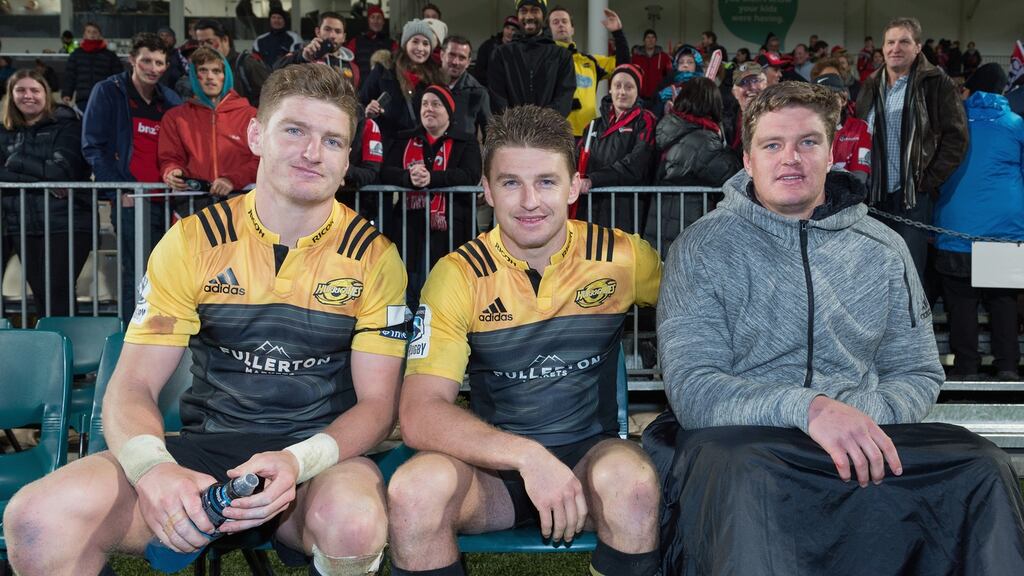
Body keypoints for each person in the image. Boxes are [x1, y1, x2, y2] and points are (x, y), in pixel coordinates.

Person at [4, 63, 409, 576]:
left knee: (353, 519)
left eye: (333, 140)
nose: (313, 152)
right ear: (257, 135)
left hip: (317, 459)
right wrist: (153, 470)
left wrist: (297, 461)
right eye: (295, 131)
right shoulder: (192, 240)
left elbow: (378, 407)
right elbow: (131, 385)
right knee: (38, 518)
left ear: (348, 157)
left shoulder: (376, 257)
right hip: (207, 448)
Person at [643, 80, 1024, 575]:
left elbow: (918, 371)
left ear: (831, 154)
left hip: (862, 428)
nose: (791, 158)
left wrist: (855, 417)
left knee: (981, 466)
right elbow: (694, 389)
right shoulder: (703, 247)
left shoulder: (883, 248)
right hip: (745, 439)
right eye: (773, 145)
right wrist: (811, 411)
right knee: (745, 479)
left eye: (808, 142)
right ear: (748, 159)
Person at [386, 104, 663, 576]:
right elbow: (418, 414)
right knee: (415, 491)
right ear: (488, 189)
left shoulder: (623, 257)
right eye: (511, 182)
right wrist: (527, 457)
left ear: (575, 186)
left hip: (589, 461)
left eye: (547, 182)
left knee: (632, 482)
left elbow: (702, 318)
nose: (530, 201)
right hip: (496, 473)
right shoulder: (457, 274)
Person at [856, 16, 968, 285]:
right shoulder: (871, 84)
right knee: (875, 274)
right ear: (882, 48)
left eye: (904, 41)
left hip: (912, 198)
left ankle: (911, 328)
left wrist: (926, 181)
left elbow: (956, 138)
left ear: (918, 47)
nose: (896, 48)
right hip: (873, 197)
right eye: (890, 42)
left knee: (909, 276)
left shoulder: (936, 83)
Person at [81, 32, 183, 322]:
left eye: (159, 62)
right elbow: (93, 147)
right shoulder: (108, 91)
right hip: (131, 200)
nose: (153, 68)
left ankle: (160, 335)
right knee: (135, 272)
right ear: (132, 60)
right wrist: (118, 191)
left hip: (165, 201)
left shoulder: (170, 99)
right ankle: (131, 337)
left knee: (165, 274)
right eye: (146, 61)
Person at [935, 63, 1024, 382]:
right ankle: (1008, 366)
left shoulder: (951, 123)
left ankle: (966, 368)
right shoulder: (1016, 124)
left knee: (961, 304)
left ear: (969, 90)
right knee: (1003, 303)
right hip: (1004, 231)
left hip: (955, 228)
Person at [0, 69, 91, 317]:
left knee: (57, 291)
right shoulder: (4, 130)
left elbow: (62, 171)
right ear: (11, 95)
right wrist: (41, 178)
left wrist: (16, 161)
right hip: (22, 224)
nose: (28, 96)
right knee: (41, 292)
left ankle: (68, 347)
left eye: (34, 90)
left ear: (47, 94)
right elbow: (49, 173)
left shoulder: (67, 124)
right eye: (20, 90)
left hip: (67, 222)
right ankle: (53, 348)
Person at [380, 84, 482, 300]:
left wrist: (431, 178)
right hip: (410, 226)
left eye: (436, 104)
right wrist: (409, 177)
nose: (429, 109)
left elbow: (470, 175)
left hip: (451, 226)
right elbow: (386, 172)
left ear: (449, 111)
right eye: (425, 104)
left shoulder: (466, 141)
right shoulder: (405, 139)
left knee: (445, 285)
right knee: (408, 283)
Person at [646, 76, 741, 252]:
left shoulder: (666, 126)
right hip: (687, 224)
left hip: (660, 219)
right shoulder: (703, 140)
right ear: (711, 103)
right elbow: (731, 173)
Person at [159, 47, 259, 213]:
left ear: (225, 75)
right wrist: (172, 171)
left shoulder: (251, 116)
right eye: (203, 71)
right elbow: (169, 157)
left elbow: (261, 160)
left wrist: (231, 180)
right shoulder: (176, 117)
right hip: (192, 207)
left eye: (216, 71)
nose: (210, 77)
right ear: (193, 76)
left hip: (240, 205)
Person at [575, 63, 656, 234]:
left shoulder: (645, 121)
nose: (622, 92)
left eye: (629, 87)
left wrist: (594, 180)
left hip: (626, 209)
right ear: (610, 89)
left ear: (637, 91)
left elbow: (636, 165)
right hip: (591, 208)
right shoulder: (593, 125)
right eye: (617, 85)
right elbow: (576, 160)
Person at [547, 6, 629, 137]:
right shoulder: (545, 61)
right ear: (549, 30)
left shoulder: (591, 61)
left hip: (587, 134)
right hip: (555, 135)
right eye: (555, 22)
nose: (561, 25)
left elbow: (623, 65)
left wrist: (618, 32)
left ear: (572, 28)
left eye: (564, 21)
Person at [359, 19, 445, 142]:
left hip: (420, 147)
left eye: (426, 44)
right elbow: (360, 103)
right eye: (415, 41)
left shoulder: (435, 77)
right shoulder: (384, 69)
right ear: (405, 44)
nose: (420, 48)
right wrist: (368, 111)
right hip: (386, 145)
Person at [488, 0, 574, 116]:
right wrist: (515, 124)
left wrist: (541, 123)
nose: (529, 16)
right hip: (511, 130)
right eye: (523, 11)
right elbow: (497, 97)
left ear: (543, 16)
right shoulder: (501, 54)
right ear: (518, 15)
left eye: (535, 10)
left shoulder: (562, 56)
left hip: (549, 130)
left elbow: (564, 97)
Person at [193, 19, 270, 108]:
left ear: (225, 40)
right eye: (201, 43)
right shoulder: (197, 68)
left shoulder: (247, 64)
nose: (205, 47)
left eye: (209, 42)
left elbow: (271, 96)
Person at [812, 71, 871, 184]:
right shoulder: (805, 129)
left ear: (843, 100)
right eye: (818, 98)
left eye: (831, 96)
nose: (824, 103)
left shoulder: (860, 128)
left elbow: (859, 179)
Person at [276, 11, 359, 88]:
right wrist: (303, 57)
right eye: (327, 29)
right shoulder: (305, 56)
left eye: (338, 31)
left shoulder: (352, 67)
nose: (332, 35)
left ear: (343, 37)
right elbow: (276, 70)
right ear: (318, 32)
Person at [60, 22, 124, 112]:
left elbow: (118, 77)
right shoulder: (76, 55)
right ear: (84, 35)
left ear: (100, 35)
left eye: (95, 32)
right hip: (83, 99)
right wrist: (67, 93)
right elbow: (70, 76)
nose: (92, 34)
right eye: (89, 32)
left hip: (104, 98)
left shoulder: (110, 56)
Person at [441, 35, 491, 140]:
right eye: (451, 55)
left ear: (468, 62)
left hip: (463, 154)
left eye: (462, 58)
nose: (455, 62)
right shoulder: (427, 84)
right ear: (442, 55)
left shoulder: (478, 92)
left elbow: (490, 135)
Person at [345, 4, 398, 84]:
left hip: (385, 89)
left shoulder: (392, 44)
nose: (376, 21)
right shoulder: (356, 41)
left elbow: (399, 66)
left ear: (383, 21)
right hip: (361, 89)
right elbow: (347, 64)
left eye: (379, 17)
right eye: (372, 17)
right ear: (368, 20)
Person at [722, 61, 767, 152]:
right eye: (744, 82)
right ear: (734, 92)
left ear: (766, 84)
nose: (752, 87)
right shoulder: (722, 122)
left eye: (756, 80)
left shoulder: (781, 117)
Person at [472, 15, 519, 88]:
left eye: (513, 30)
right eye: (507, 28)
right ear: (503, 29)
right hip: (489, 89)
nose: (509, 32)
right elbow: (479, 72)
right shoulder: (487, 46)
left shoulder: (519, 50)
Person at [631, 29, 673, 109]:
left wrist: (663, 91)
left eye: (653, 38)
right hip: (640, 97)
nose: (650, 40)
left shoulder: (664, 57)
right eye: (648, 38)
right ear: (644, 40)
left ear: (656, 40)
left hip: (658, 98)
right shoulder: (636, 58)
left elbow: (669, 76)